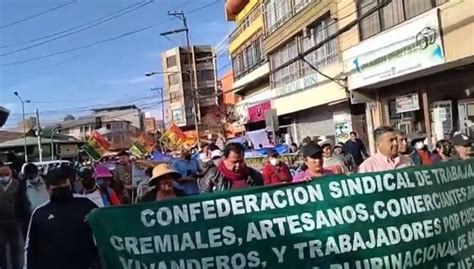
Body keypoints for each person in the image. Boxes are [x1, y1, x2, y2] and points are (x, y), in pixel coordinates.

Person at [24, 167, 100, 269]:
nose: (61, 187)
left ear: (69, 184)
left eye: (63, 183)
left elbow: (103, 236)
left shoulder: (87, 205)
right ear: (47, 189)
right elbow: (31, 248)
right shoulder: (40, 213)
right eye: (56, 185)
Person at [199, 143, 263, 192]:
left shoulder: (254, 175)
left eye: (240, 161)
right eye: (234, 162)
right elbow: (204, 198)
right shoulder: (213, 176)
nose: (238, 165)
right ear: (224, 159)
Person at [17, 163, 49, 237]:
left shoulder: (47, 181)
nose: (31, 178)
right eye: (29, 176)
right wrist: (21, 221)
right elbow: (18, 204)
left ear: (37, 172)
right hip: (31, 220)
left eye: (33, 175)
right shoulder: (22, 187)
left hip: (49, 217)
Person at [0, 162, 22, 269]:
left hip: (14, 220)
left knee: (15, 248)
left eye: (5, 175)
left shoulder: (17, 185)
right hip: (1, 222)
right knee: (1, 248)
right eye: (1, 175)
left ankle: (16, 267)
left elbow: (22, 202)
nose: (3, 177)